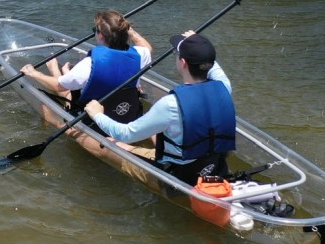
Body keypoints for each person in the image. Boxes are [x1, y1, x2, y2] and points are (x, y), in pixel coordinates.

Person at [83, 30, 236, 186]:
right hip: (213, 166)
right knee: (161, 130)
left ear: (183, 63)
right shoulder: (224, 86)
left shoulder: (170, 104)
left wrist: (97, 114)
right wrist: (197, 42)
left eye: (177, 54)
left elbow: (126, 133)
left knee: (110, 141)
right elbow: (212, 64)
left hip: (178, 176)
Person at [18, 9, 152, 122]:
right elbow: (146, 47)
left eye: (96, 30)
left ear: (101, 36)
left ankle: (54, 67)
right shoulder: (140, 55)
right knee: (74, 80)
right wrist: (130, 31)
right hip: (127, 113)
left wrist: (34, 73)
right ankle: (63, 71)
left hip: (97, 117)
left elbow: (58, 86)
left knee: (67, 90)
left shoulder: (90, 64)